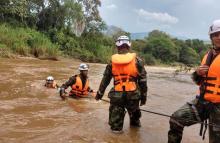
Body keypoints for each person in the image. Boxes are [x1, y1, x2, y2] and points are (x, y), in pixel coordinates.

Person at [168, 19, 220, 143]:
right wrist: (198, 73)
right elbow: (198, 81)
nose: (218, 37)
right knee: (176, 119)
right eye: (215, 35)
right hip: (202, 103)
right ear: (211, 37)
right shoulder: (207, 56)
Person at [95, 35, 148, 133]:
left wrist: (100, 93)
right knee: (135, 124)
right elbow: (143, 82)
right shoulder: (138, 61)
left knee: (115, 129)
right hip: (133, 96)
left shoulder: (112, 62)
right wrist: (144, 98)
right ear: (129, 46)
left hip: (117, 96)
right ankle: (134, 137)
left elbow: (105, 79)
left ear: (117, 46)